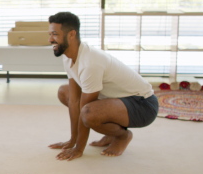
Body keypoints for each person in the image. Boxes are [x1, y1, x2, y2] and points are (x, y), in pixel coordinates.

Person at [47, 12, 158, 161]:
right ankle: (111, 133)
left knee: (88, 113)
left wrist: (78, 149)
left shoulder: (90, 62)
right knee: (64, 92)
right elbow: (74, 101)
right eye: (49, 34)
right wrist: (72, 141)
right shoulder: (69, 57)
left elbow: (84, 109)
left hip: (142, 104)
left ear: (71, 34)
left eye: (55, 34)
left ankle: (122, 136)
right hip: (117, 100)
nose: (50, 39)